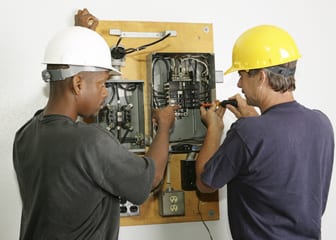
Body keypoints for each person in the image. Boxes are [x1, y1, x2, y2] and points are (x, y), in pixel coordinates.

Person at [13, 26, 178, 239]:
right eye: (102, 83)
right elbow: (152, 178)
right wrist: (164, 127)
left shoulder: (25, 134)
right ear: (77, 83)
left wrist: (83, 36)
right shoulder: (91, 141)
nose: (105, 92)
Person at [196, 25, 334, 239]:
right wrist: (256, 121)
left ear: (261, 77)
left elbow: (205, 184)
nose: (240, 83)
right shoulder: (321, 123)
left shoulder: (248, 132)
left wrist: (214, 128)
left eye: (241, 74)